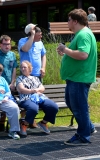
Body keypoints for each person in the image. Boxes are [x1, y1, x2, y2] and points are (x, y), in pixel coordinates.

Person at [57, 9, 97, 146]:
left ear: (75, 21)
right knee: (72, 102)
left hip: (79, 78)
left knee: (79, 107)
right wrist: (67, 52)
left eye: (68, 20)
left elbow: (83, 54)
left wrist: (65, 49)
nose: (67, 22)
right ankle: (89, 127)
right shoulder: (81, 34)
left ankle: (83, 136)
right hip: (75, 78)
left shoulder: (83, 35)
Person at [16, 61, 58, 136]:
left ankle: (43, 123)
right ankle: (24, 124)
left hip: (39, 98)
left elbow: (42, 88)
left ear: (29, 68)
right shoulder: (19, 78)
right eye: (21, 67)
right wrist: (33, 91)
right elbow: (21, 89)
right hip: (26, 98)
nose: (22, 69)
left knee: (53, 107)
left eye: (24, 67)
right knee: (33, 108)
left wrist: (37, 91)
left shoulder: (35, 78)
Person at [18, 24, 47, 127]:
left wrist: (43, 67)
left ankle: (32, 119)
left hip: (36, 75)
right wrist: (32, 36)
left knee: (35, 97)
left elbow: (43, 55)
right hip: (25, 74)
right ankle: (24, 119)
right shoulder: (22, 41)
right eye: (39, 34)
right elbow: (25, 49)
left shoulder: (40, 43)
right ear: (32, 34)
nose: (41, 36)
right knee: (26, 97)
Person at [0, 35, 18, 131]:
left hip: (9, 84)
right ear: (0, 45)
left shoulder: (12, 55)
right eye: (5, 44)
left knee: (8, 104)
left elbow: (14, 69)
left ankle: (5, 125)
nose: (7, 46)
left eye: (9, 44)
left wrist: (13, 82)